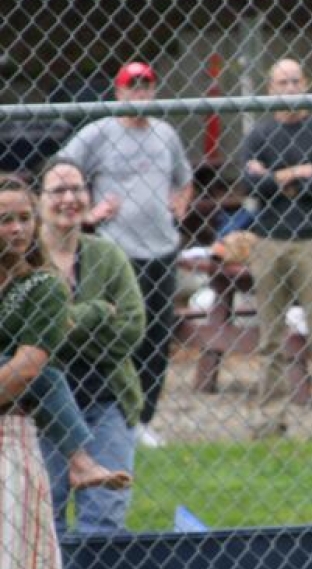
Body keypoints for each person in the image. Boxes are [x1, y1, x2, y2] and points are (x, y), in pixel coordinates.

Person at [57, 61, 194, 448]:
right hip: (118, 253)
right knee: (121, 336)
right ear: (118, 92)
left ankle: (144, 419)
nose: (140, 93)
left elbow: (184, 180)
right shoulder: (99, 133)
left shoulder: (165, 134)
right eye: (132, 86)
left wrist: (177, 207)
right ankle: (119, 414)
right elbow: (61, 171)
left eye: (146, 86)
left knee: (157, 336)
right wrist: (88, 214)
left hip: (162, 250)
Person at [34, 158, 145, 534]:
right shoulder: (24, 261)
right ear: (39, 200)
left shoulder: (108, 255)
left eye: (77, 189)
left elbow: (131, 328)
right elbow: (27, 334)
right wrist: (98, 312)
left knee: (106, 519)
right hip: (41, 409)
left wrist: (61, 330)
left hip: (107, 399)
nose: (69, 198)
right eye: (58, 190)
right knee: (45, 519)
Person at [240, 58, 312, 421]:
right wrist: (299, 173)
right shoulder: (259, 134)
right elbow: (250, 184)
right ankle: (272, 417)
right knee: (270, 339)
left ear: (306, 83)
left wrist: (274, 177)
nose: (290, 88)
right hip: (268, 241)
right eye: (282, 82)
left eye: (296, 81)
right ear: (270, 89)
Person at [0, 175, 68, 569]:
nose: (17, 228)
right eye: (5, 219)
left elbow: (25, 370)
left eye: (25, 217)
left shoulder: (43, 286)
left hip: (10, 438)